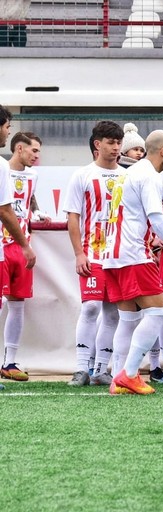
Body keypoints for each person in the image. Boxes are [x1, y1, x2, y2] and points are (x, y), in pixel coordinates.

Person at [104, 130, 163, 395]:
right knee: (158, 313)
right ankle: (130, 374)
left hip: (113, 253)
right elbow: (156, 217)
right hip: (133, 253)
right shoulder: (148, 177)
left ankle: (117, 379)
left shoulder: (128, 174)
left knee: (128, 318)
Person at [62, 121, 125, 386]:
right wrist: (79, 253)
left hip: (120, 254)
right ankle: (81, 368)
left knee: (112, 313)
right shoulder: (82, 175)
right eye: (111, 142)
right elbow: (73, 217)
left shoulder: (127, 176)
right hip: (93, 253)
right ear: (98, 144)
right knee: (90, 307)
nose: (116, 148)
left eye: (119, 143)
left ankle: (100, 369)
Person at [0, 107, 36, 388]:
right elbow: (5, 209)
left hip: (13, 245)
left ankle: (9, 361)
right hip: (7, 243)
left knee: (16, 302)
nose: (8, 131)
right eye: (7, 126)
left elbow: (24, 205)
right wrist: (25, 246)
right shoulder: (2, 166)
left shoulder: (32, 177)